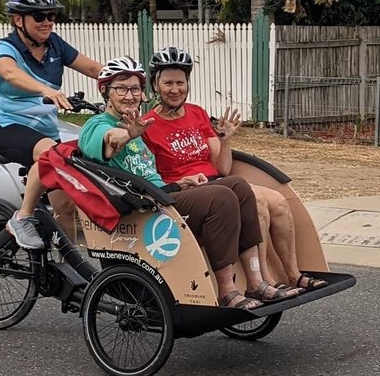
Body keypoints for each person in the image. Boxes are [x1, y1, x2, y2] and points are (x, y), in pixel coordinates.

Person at [78, 56, 298, 307]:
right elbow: (111, 141)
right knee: (221, 197)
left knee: (238, 186)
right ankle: (227, 290)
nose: (129, 96)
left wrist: (182, 183)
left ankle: (256, 282)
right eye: (121, 89)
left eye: (135, 89)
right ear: (104, 90)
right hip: (144, 207)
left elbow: (155, 175)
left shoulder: (139, 124)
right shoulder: (96, 126)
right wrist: (128, 134)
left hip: (163, 194)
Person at [142, 46, 328, 292]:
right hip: (188, 190)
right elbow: (149, 174)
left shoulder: (197, 114)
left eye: (181, 82)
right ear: (156, 85)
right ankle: (264, 281)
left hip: (217, 181)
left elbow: (223, 167)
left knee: (279, 201)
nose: (175, 89)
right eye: (168, 83)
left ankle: (293, 274)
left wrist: (226, 139)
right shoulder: (147, 126)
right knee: (258, 200)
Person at [0, 0, 102, 249]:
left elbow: (95, 68)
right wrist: (46, 90)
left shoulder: (55, 45)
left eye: (51, 16)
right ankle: (22, 217)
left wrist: (128, 83)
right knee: (51, 155)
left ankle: (68, 267)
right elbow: (9, 73)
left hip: (46, 134)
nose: (48, 22)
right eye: (39, 16)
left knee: (65, 203)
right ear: (19, 20)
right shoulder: (5, 48)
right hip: (9, 128)